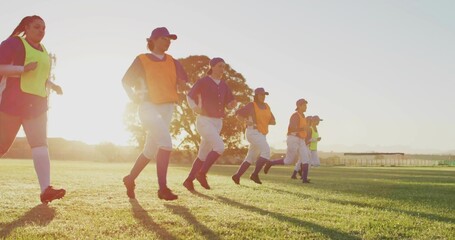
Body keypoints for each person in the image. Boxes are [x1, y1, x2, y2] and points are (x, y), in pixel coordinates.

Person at [0, 15, 65, 204]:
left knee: (40, 145)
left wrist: (53, 86)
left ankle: (46, 190)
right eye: (37, 27)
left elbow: (39, 76)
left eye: (44, 28)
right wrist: (21, 69)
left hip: (37, 104)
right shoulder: (14, 43)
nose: (41, 31)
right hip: (12, 102)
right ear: (26, 27)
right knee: (2, 146)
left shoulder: (44, 50)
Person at [122, 27, 188, 201]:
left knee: (150, 150)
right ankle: (162, 189)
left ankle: (129, 179)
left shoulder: (173, 61)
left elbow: (183, 81)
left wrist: (183, 86)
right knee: (166, 143)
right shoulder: (142, 59)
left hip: (168, 108)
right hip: (148, 107)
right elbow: (125, 81)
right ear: (154, 40)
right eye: (164, 39)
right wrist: (133, 97)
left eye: (170, 40)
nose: (168, 42)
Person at [182, 57, 236, 191]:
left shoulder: (224, 85)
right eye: (219, 66)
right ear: (212, 67)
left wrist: (231, 105)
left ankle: (189, 181)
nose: (222, 69)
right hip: (204, 121)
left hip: (218, 122)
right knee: (219, 147)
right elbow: (189, 96)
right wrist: (194, 108)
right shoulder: (203, 81)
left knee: (202, 155)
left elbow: (228, 105)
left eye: (224, 66)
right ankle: (202, 173)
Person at [232, 87, 276, 185]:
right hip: (252, 132)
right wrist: (245, 121)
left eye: (265, 95)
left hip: (262, 134)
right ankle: (254, 174)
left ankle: (237, 176)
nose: (263, 96)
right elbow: (238, 114)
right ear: (256, 96)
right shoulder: (251, 105)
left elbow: (273, 121)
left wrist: (265, 121)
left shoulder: (267, 106)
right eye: (261, 95)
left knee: (250, 158)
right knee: (266, 152)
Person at [263, 98, 312, 183]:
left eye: (306, 105)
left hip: (301, 140)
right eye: (304, 105)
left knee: (305, 158)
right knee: (288, 161)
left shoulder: (303, 116)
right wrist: (302, 128)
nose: (306, 107)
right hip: (293, 138)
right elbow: (293, 128)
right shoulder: (295, 115)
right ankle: (270, 163)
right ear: (299, 106)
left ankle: (304, 179)